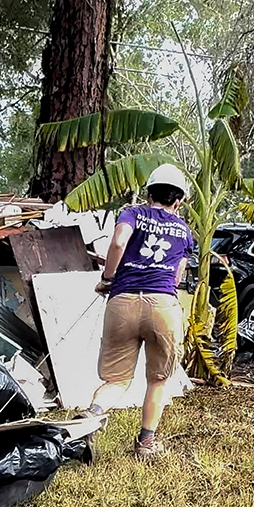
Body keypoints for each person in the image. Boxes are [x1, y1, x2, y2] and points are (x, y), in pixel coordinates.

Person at [87, 163, 195, 459]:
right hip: (163, 305)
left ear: (148, 194)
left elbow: (119, 241)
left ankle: (89, 420)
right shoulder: (184, 231)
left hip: (122, 303)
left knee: (117, 380)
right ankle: (146, 443)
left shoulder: (132, 213)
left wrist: (108, 278)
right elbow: (177, 276)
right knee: (158, 379)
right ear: (179, 200)